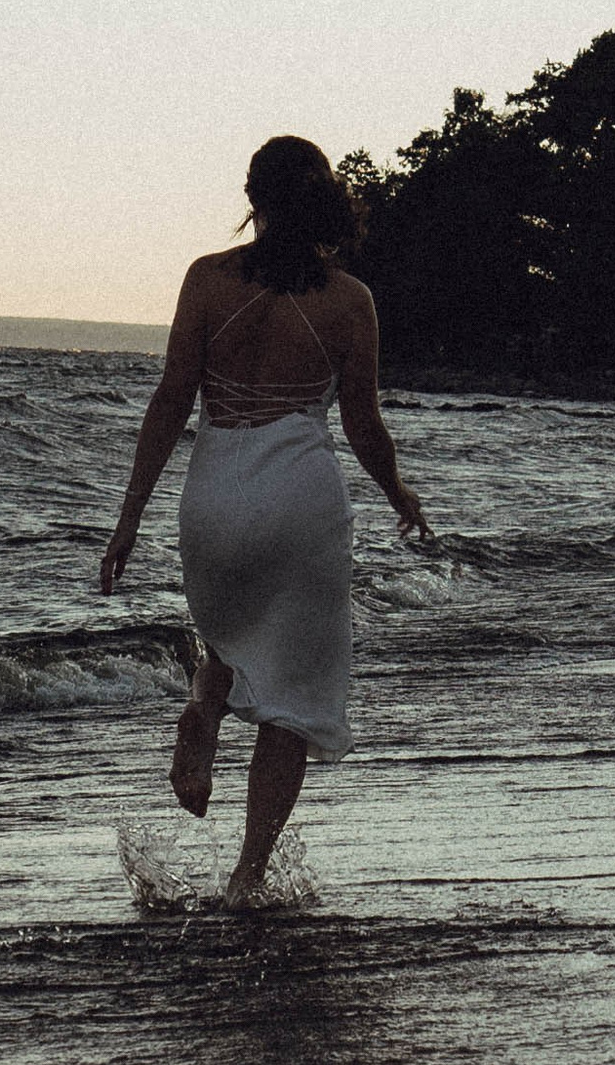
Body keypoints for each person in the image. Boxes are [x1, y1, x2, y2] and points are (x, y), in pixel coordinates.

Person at [99, 136, 430, 899]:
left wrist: (128, 521)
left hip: (215, 494)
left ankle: (202, 713)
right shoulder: (350, 300)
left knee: (231, 626)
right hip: (302, 499)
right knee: (293, 694)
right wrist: (399, 492)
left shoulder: (206, 281)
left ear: (253, 196)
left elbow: (170, 403)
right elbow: (363, 426)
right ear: (325, 202)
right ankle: (248, 875)